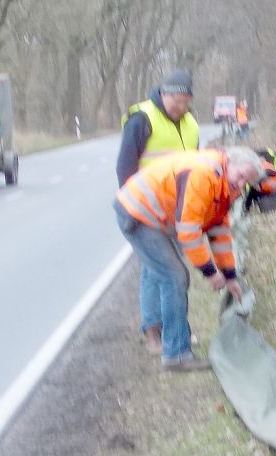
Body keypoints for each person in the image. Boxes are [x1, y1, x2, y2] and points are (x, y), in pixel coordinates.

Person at [113, 147, 268, 371]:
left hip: (157, 218)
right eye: (240, 174)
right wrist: (210, 272)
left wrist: (230, 276)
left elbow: (219, 232)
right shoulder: (205, 175)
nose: (241, 182)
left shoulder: (226, 185)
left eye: (247, 180)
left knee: (164, 273)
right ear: (229, 162)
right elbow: (189, 232)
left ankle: (162, 334)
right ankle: (176, 355)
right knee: (174, 277)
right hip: (138, 214)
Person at [116, 68, 200, 355]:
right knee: (159, 271)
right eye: (173, 99)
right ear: (162, 94)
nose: (178, 105)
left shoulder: (191, 125)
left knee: (169, 269)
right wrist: (134, 208)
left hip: (175, 210)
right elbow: (125, 166)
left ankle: (171, 329)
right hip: (146, 209)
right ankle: (154, 332)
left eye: (184, 100)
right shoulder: (143, 120)